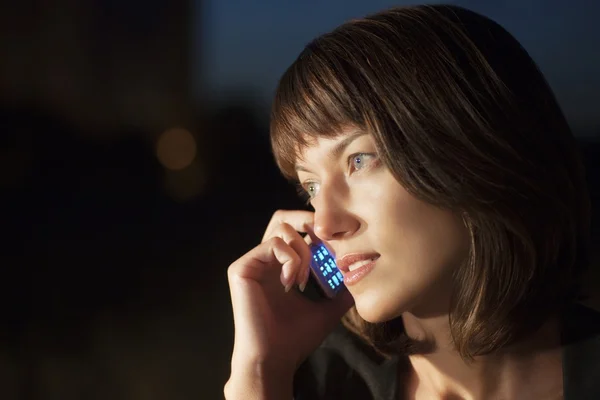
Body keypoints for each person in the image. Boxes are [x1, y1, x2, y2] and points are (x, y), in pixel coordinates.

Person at [224, 4, 600, 399]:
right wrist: (259, 374)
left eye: (359, 160)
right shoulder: (312, 385)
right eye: (311, 188)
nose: (323, 224)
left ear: (474, 146)